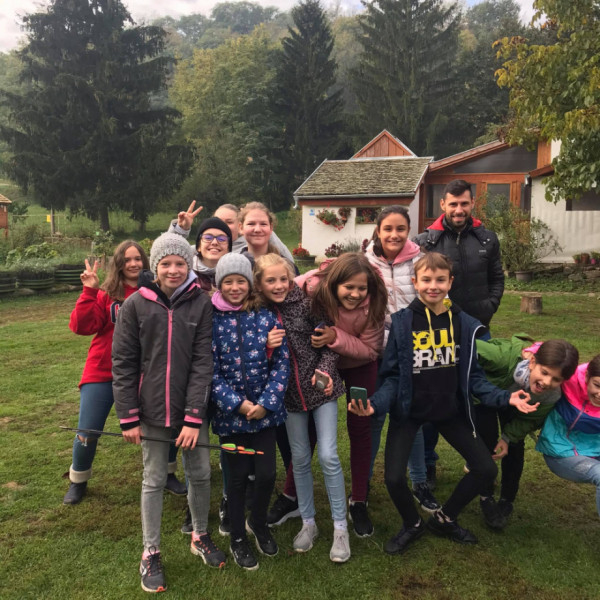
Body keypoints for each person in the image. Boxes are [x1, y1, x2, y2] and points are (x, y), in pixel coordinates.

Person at [348, 252, 537, 555]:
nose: (433, 286)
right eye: (426, 280)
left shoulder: (465, 324)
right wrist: (375, 404)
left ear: (450, 282)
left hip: (449, 411)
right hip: (410, 411)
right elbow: (393, 376)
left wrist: (506, 396)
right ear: (415, 282)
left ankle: (445, 519)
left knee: (485, 469)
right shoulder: (401, 323)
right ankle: (412, 524)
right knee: (394, 478)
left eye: (440, 280)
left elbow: (475, 378)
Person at [112, 232, 225, 593]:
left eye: (180, 263)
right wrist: (128, 415)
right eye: (166, 264)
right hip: (150, 411)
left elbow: (203, 363)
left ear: (189, 265)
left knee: (200, 473)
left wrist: (193, 416)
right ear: (155, 266)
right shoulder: (134, 305)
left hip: (191, 410)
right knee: (154, 478)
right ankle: (151, 551)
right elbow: (124, 363)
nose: (174, 270)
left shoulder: (201, 304)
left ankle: (199, 534)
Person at [62, 241, 185, 505]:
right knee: (88, 429)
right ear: (118, 264)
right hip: (103, 371)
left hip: (146, 372)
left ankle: (167, 473)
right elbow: (82, 327)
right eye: (127, 260)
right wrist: (89, 291)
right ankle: (78, 479)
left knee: (166, 422)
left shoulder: (158, 292)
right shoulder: (106, 294)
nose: (133, 264)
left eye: (137, 259)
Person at [254, 253, 351, 563]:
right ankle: (308, 522)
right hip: (289, 398)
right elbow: (255, 360)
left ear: (290, 278)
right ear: (259, 284)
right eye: (271, 280)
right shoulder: (258, 314)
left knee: (328, 455)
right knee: (299, 458)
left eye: (283, 279)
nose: (279, 285)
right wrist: (266, 346)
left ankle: (340, 527)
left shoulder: (309, 305)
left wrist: (324, 371)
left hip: (322, 391)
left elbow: (330, 344)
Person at [414, 179, 505, 487]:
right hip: (437, 332)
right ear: (443, 205)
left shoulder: (487, 239)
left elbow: (497, 278)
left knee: (479, 396)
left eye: (464, 203)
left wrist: (489, 307)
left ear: (472, 203)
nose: (458, 209)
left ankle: (478, 459)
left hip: (478, 330)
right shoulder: (425, 241)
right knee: (432, 397)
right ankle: (428, 463)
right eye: (453, 204)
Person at [295, 253, 386, 537]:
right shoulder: (311, 286)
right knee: (311, 426)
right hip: (321, 363)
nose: (355, 294)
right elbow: (280, 288)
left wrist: (335, 337)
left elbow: (370, 350)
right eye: (349, 287)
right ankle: (290, 493)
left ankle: (358, 499)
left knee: (360, 426)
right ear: (333, 284)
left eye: (361, 288)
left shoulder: (375, 301)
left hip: (360, 365)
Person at [209, 253, 290, 570]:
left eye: (240, 281)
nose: (234, 287)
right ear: (219, 284)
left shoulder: (265, 317)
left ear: (249, 284)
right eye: (228, 282)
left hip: (265, 416)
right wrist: (237, 404)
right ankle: (237, 538)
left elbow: (281, 364)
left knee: (267, 473)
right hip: (231, 419)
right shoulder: (211, 321)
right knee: (237, 479)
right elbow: (211, 373)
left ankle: (257, 522)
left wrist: (266, 403)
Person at [364, 205, 440, 514]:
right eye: (388, 229)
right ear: (378, 231)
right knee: (373, 418)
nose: (394, 234)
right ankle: (363, 484)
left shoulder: (421, 261)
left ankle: (420, 482)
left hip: (413, 352)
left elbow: (440, 301)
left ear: (409, 231)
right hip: (376, 352)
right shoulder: (366, 263)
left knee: (412, 419)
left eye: (400, 229)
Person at [477, 337, 579, 529]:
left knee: (514, 446)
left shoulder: (552, 394)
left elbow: (528, 420)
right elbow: (467, 345)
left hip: (519, 407)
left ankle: (507, 498)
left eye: (556, 379)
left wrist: (507, 438)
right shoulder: (502, 358)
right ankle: (486, 495)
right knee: (487, 442)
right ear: (532, 362)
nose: (546, 382)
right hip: (486, 397)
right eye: (544, 372)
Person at [536, 356, 600, 517]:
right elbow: (554, 352)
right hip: (561, 452)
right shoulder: (570, 378)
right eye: (597, 385)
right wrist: (531, 351)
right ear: (587, 376)